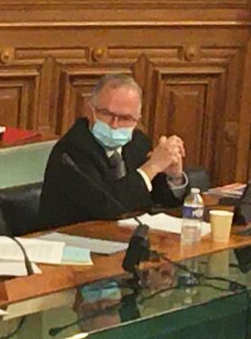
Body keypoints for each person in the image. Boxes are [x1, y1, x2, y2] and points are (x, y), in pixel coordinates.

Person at [39, 74, 188, 230]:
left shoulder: (138, 143)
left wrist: (174, 177)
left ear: (137, 119)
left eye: (125, 118)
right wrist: (152, 167)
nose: (114, 125)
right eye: (107, 114)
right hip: (71, 238)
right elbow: (107, 205)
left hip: (121, 236)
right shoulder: (71, 151)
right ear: (90, 111)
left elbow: (159, 199)